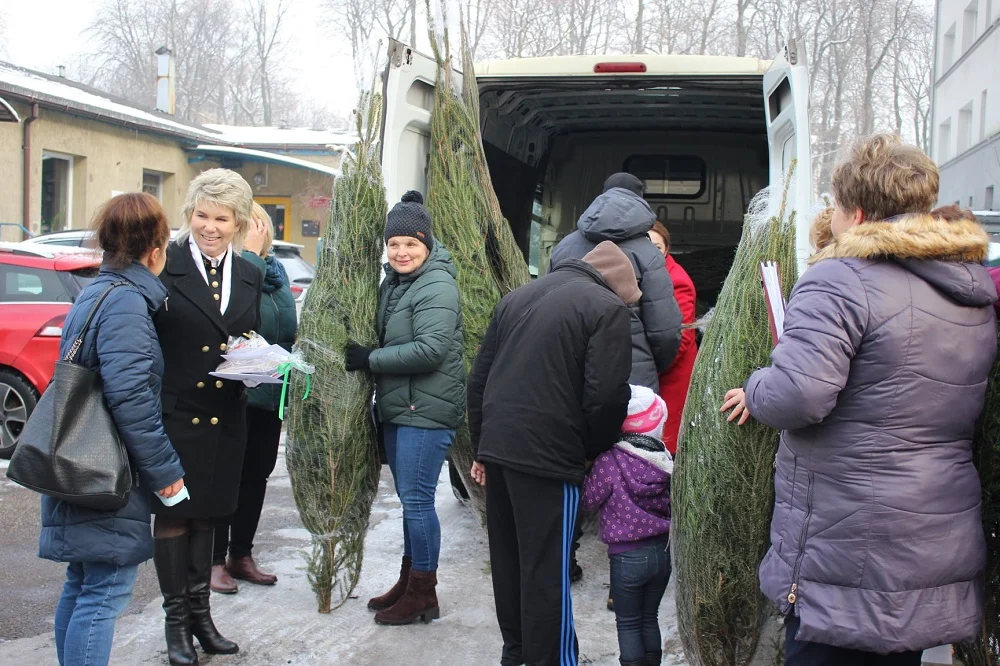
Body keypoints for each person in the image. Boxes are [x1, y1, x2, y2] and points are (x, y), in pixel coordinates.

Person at [721, 134, 997, 665]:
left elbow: (799, 394)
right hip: (929, 534)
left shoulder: (841, 278)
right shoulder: (968, 286)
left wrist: (757, 387)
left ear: (858, 212)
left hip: (848, 546)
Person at [468, 240, 635, 666]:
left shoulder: (518, 297)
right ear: (619, 287)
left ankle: (517, 655)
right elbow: (607, 398)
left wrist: (482, 446)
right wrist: (589, 452)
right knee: (548, 572)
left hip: (500, 449)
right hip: (550, 457)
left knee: (509, 564)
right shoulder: (606, 308)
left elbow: (478, 379)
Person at [38, 193, 186, 666]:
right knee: (104, 591)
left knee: (84, 583)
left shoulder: (98, 292)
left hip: (82, 459)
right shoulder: (126, 302)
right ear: (156, 249)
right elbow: (131, 398)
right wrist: (165, 472)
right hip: (106, 468)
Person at [152, 169, 264, 665]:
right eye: (202, 215)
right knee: (175, 518)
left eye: (221, 218)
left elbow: (246, 335)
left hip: (226, 417)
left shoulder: (251, 271)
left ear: (238, 222)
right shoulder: (163, 264)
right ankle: (176, 623)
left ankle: (202, 616)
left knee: (209, 518)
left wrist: (257, 359)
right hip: (177, 416)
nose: (210, 227)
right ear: (189, 213)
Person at [344, 190, 465, 626]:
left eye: (411, 244)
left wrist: (369, 360)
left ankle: (423, 593)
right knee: (410, 503)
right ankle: (408, 580)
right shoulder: (395, 284)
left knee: (417, 503)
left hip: (425, 411)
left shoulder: (436, 284)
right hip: (402, 408)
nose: (401, 252)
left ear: (427, 245)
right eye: (394, 244)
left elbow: (431, 350)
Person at [211, 203, 297, 593]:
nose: (261, 231)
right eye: (253, 225)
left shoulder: (275, 272)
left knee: (256, 476)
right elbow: (236, 318)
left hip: (270, 393)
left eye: (263, 224)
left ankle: (241, 554)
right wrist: (249, 257)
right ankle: (213, 560)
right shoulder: (233, 271)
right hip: (236, 394)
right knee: (225, 476)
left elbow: (284, 330)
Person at [548, 172, 682, 391]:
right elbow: (665, 331)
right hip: (632, 380)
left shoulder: (563, 247)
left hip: (571, 376)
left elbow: (549, 311)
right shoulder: (648, 254)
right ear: (640, 201)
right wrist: (653, 364)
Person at [582, 385, 672, 666]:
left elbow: (587, 501)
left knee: (629, 623)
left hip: (627, 558)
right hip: (662, 554)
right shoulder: (666, 460)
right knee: (649, 618)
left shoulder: (610, 461)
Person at [647, 221, 697, 455]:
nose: (651, 252)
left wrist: (648, 371)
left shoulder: (677, 279)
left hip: (670, 379)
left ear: (667, 249)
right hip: (653, 379)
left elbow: (682, 336)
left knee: (667, 448)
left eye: (657, 247)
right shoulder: (645, 273)